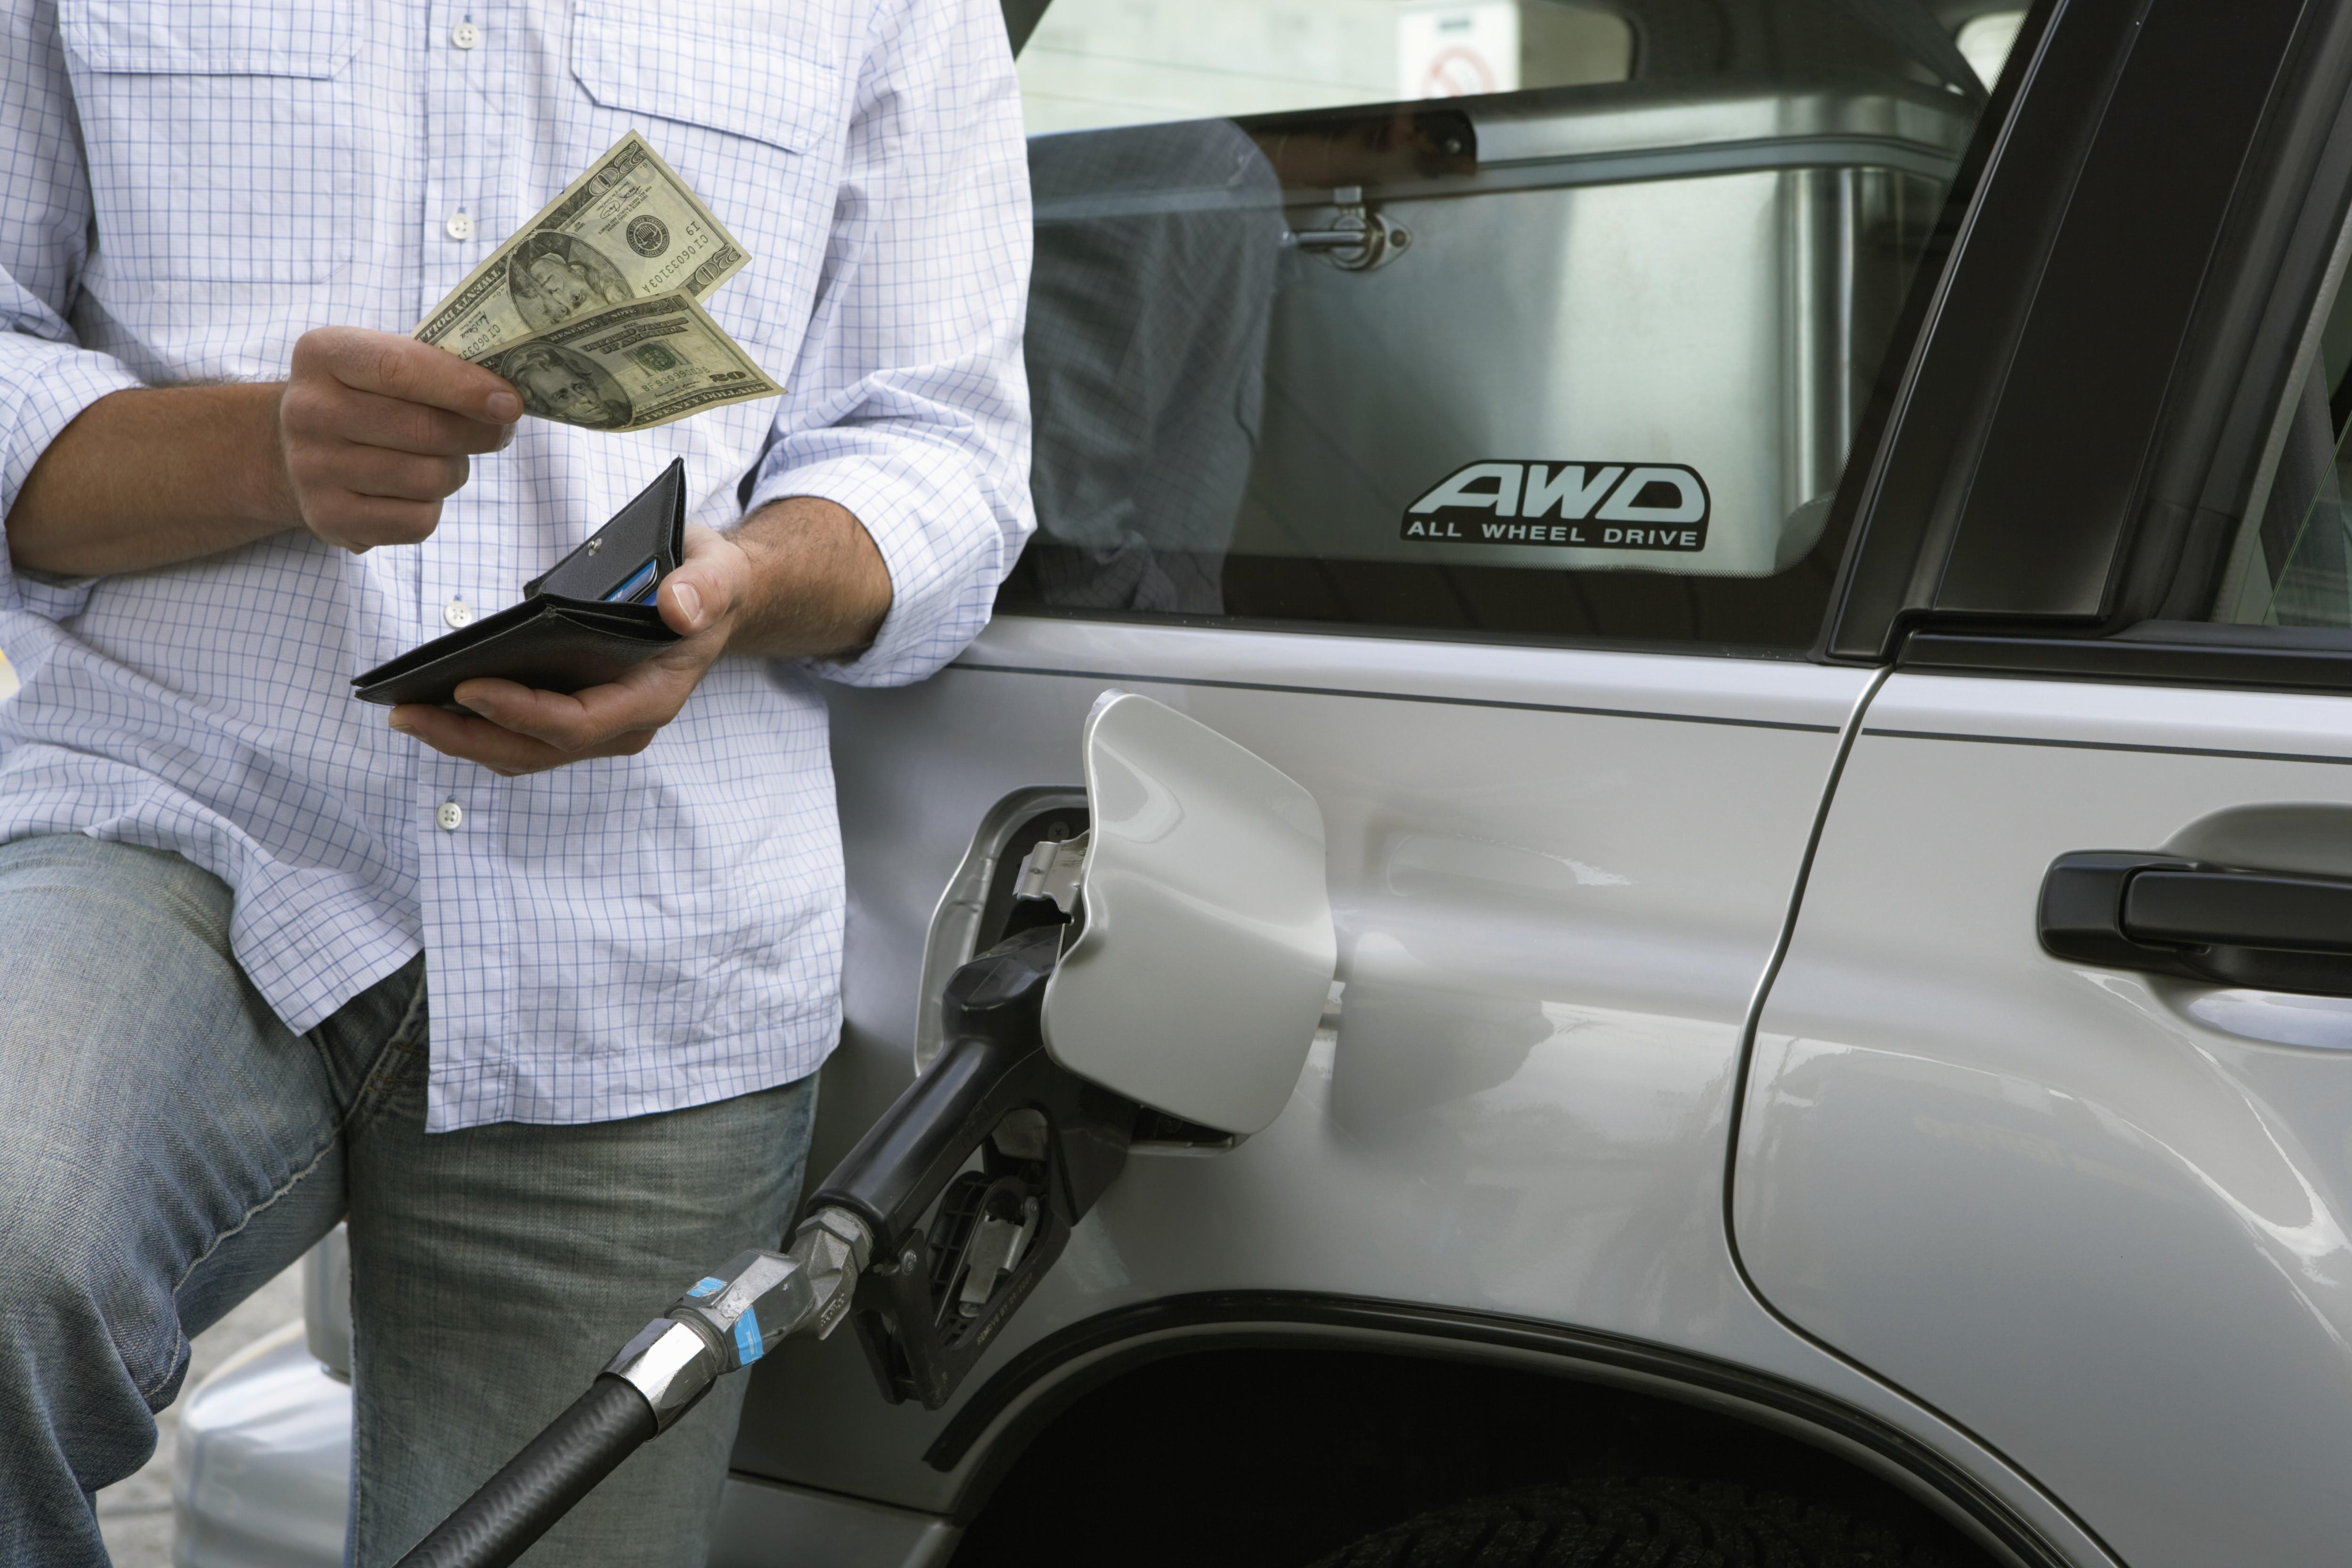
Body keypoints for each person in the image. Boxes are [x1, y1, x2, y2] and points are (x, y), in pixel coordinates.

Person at [0, 0, 1032, 1564]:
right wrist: (265, 456)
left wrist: (737, 588)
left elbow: (940, 447)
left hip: (649, 934)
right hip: (181, 819)